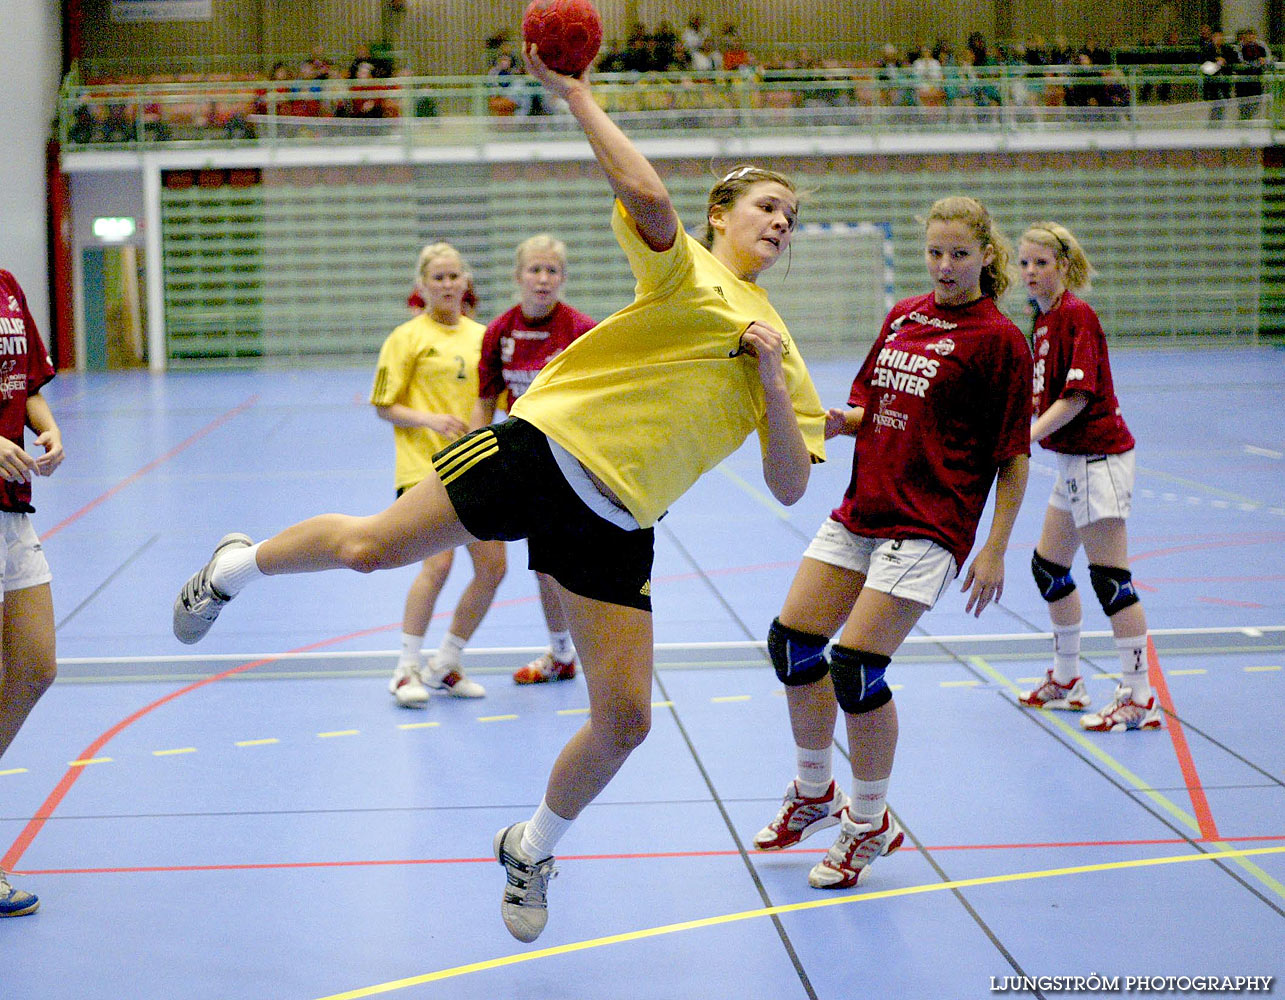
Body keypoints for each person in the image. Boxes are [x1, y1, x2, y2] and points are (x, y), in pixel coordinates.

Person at [172, 40, 826, 941]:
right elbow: (648, 197)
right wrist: (574, 94)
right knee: (370, 549)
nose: (781, 223)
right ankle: (236, 566)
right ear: (723, 214)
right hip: (539, 448)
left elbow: (790, 486)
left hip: (617, 520)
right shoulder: (687, 270)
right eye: (766, 206)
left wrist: (766, 379)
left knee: (626, 720)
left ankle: (531, 843)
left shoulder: (777, 346)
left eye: (792, 216)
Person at [753, 196, 1032, 890]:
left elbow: (1012, 455)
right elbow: (869, 402)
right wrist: (836, 422)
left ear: (985, 257)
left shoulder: (998, 340)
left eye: (958, 254)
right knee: (792, 643)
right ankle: (815, 793)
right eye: (934, 252)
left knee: (854, 667)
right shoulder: (902, 315)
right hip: (864, 507)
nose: (943, 266)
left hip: (930, 523)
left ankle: (868, 821)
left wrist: (993, 548)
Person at [1015, 222, 1159, 732]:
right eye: (1025, 263)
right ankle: (1068, 679)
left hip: (1100, 458)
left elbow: (1077, 398)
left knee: (1110, 578)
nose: (1031, 272)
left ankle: (1139, 694)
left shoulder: (1077, 315)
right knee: (1048, 567)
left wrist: (1024, 437)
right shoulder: (1043, 319)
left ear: (1063, 266)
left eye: (1041, 263)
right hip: (1072, 460)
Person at [367, 243, 503, 706]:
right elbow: (385, 406)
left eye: (453, 277)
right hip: (424, 469)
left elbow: (497, 398)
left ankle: (446, 661)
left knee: (493, 568)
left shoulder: (485, 337)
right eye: (437, 278)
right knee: (438, 563)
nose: (447, 285)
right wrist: (431, 420)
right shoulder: (406, 338)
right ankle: (405, 667)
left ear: (467, 283)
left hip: (477, 466)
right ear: (422, 286)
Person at [470, 234, 597, 685]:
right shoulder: (500, 331)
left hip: (576, 463)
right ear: (517, 276)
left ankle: (589, 653)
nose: (543, 279)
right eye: (534, 270)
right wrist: (473, 461)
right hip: (526, 462)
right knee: (545, 567)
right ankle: (563, 653)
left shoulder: (581, 330)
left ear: (563, 277)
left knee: (578, 567)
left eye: (552, 271)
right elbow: (485, 402)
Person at [0, 269, 64, 917]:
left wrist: (45, 427)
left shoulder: (7, 286)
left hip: (11, 507)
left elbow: (26, 385)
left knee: (35, 666)